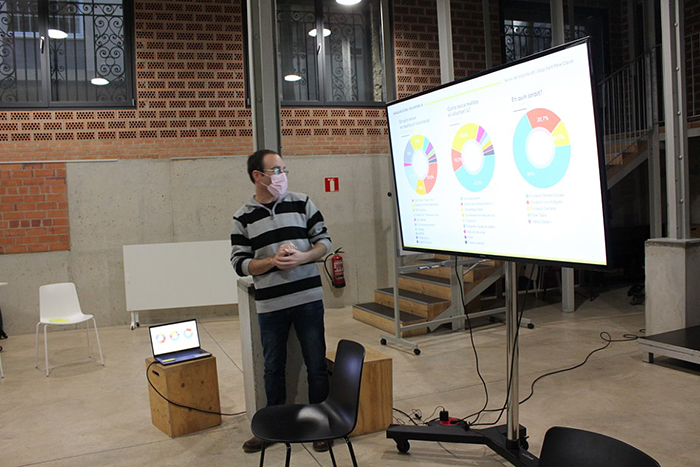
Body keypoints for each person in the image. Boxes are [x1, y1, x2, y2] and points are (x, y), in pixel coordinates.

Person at [230, 149, 333, 453]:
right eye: (276, 170)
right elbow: (239, 263)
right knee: (273, 368)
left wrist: (304, 256)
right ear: (257, 176)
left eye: (284, 169)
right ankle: (272, 428)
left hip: (308, 299)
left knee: (316, 364)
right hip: (271, 305)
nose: (282, 176)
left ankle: (321, 425)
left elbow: (324, 242)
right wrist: (271, 261)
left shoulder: (302, 202)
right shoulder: (242, 217)